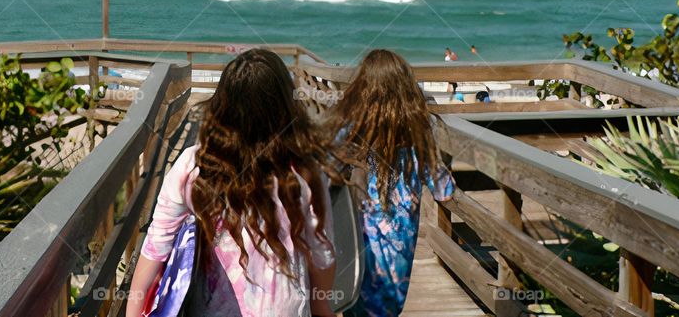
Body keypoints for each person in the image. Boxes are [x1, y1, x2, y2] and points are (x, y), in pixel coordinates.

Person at [126, 49, 336, 317]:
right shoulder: (304, 172)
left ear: (222, 104)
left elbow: (156, 247)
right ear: (286, 106)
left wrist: (132, 313)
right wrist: (321, 305)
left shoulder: (194, 165)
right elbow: (322, 255)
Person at [327, 49, 456, 317]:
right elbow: (444, 190)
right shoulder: (420, 131)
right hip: (399, 249)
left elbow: (325, 168)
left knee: (355, 307)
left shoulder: (351, 128)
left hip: (354, 243)